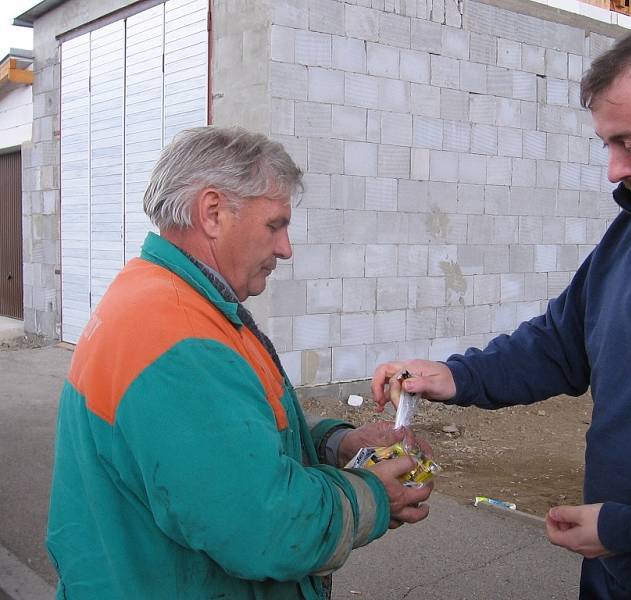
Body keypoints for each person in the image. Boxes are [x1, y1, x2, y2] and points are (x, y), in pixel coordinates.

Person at [372, 13, 631, 599]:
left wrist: (628, 527)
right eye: (608, 143)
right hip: (614, 571)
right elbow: (561, 342)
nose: (614, 170)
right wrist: (456, 375)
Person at [46, 126, 432, 600]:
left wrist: (336, 443)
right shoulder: (179, 339)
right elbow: (268, 526)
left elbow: (230, 433)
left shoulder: (167, 298)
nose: (286, 248)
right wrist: (372, 494)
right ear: (212, 213)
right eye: (275, 224)